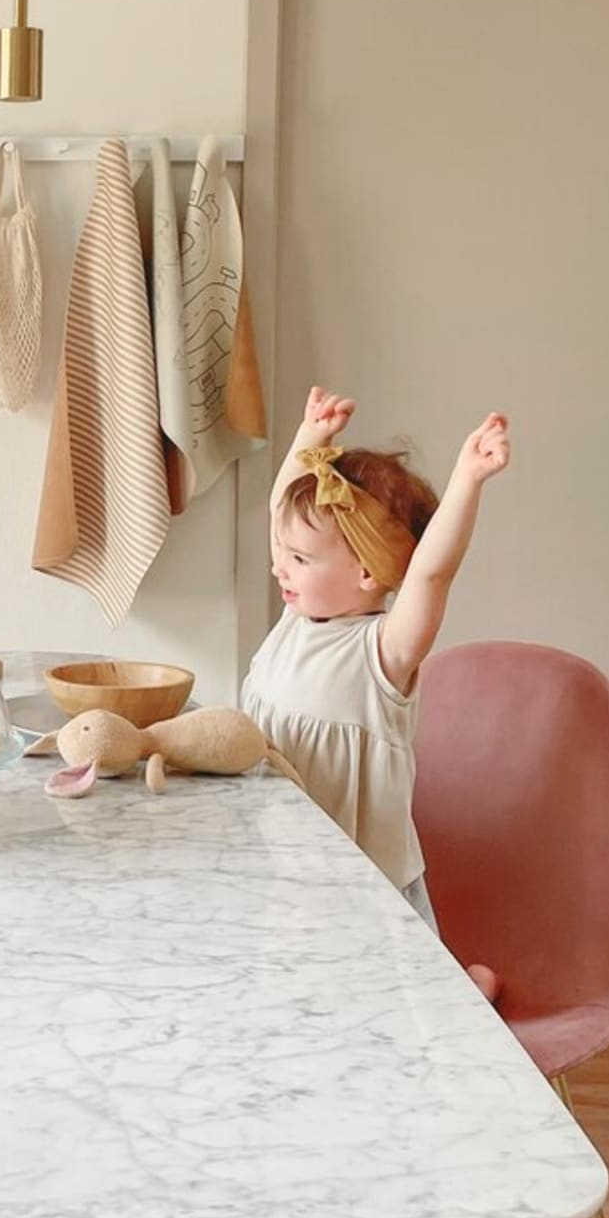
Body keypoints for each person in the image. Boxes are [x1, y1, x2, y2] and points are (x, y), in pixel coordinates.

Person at [242, 386, 510, 934]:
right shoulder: (297, 619)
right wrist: (312, 437)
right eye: (282, 552)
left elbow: (432, 573)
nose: (279, 567)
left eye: (298, 558)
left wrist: (468, 479)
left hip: (365, 887)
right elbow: (280, 511)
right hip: (285, 869)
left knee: (403, 1010)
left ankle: (469, 986)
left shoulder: (384, 654)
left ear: (368, 573)